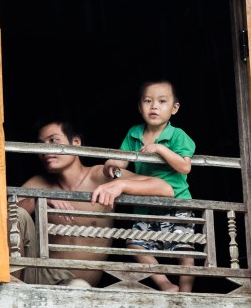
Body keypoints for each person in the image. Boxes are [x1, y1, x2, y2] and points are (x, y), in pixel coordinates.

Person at [14, 118, 174, 288]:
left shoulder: (100, 175)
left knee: (78, 286)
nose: (46, 150)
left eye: (53, 141)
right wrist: (39, 198)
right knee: (17, 212)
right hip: (38, 278)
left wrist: (120, 184)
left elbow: (165, 189)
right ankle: (10, 284)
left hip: (79, 287)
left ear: (75, 143)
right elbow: (4, 214)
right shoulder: (38, 184)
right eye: (41, 144)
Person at [103, 80, 197, 292]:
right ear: (139, 107)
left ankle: (186, 291)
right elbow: (121, 161)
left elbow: (184, 167)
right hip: (146, 203)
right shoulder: (134, 133)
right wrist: (111, 166)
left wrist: (160, 150)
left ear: (174, 108)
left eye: (162, 101)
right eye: (148, 101)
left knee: (184, 248)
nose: (154, 106)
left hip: (176, 201)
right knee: (136, 245)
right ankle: (165, 285)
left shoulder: (177, 135)